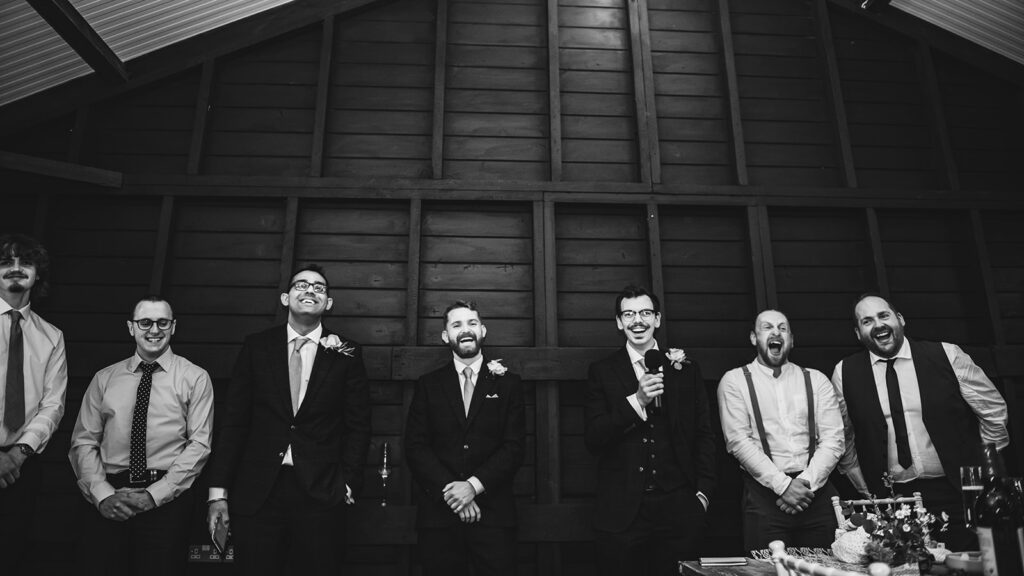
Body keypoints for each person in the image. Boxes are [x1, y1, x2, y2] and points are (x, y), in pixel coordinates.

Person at [205, 264, 371, 575]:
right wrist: (218, 492)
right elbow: (235, 421)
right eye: (302, 285)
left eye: (319, 288)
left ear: (328, 303)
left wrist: (348, 482)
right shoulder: (257, 346)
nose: (310, 290)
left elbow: (358, 424)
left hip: (320, 491)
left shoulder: (348, 352)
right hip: (258, 490)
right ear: (285, 298)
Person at [833, 293, 1009, 551]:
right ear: (859, 334)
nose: (878, 325)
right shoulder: (845, 372)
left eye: (884, 315)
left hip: (956, 492)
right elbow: (844, 437)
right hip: (894, 502)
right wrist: (868, 490)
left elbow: (993, 411)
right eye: (867, 321)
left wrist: (981, 465)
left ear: (900, 320)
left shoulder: (947, 355)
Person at [69, 296, 214, 575]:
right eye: (145, 322)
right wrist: (102, 495)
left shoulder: (195, 377)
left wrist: (153, 495)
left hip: (166, 502)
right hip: (110, 498)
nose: (154, 330)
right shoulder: (104, 378)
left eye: (162, 322)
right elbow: (84, 441)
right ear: (130, 327)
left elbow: (199, 445)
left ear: (173, 327)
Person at [585, 285, 715, 576]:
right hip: (622, 512)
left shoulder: (686, 368)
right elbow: (594, 437)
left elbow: (704, 434)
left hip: (679, 508)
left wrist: (703, 495)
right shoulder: (602, 371)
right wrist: (637, 402)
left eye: (645, 312)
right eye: (628, 314)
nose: (637, 321)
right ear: (619, 323)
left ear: (657, 319)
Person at [405, 300, 525, 576]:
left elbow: (514, 447)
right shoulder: (428, 384)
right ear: (446, 336)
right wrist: (454, 492)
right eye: (456, 324)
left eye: (472, 323)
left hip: (494, 515)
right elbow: (416, 446)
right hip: (439, 516)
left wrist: (473, 486)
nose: (466, 330)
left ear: (483, 330)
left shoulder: (509, 384)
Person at [718, 309, 844, 552]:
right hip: (763, 495)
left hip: (816, 492)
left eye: (782, 328)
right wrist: (784, 486)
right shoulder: (734, 381)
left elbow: (834, 439)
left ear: (792, 339)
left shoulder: (816, 380)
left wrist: (805, 483)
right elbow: (738, 442)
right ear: (754, 338)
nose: (776, 332)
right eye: (767, 327)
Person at [0, 233, 67, 572]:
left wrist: (16, 455)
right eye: (6, 262)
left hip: (20, 470)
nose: (15, 268)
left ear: (37, 273)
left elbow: (52, 405)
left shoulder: (51, 337)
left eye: (24, 262)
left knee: (10, 555)